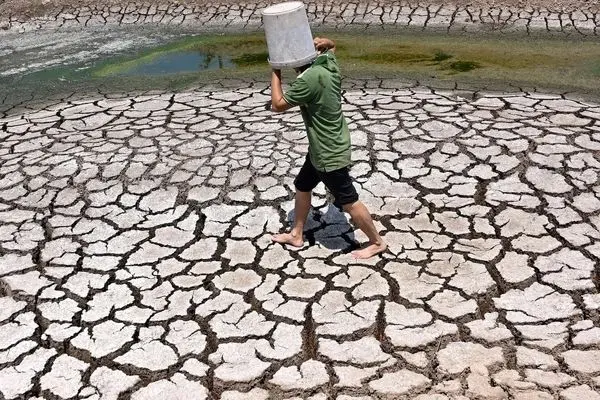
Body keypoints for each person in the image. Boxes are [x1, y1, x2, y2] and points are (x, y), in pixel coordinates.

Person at [270, 37, 386, 259]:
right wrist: (329, 42)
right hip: (324, 146)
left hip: (327, 153)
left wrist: (275, 69)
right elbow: (332, 48)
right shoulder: (327, 65)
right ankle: (296, 234)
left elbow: (277, 104)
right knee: (303, 185)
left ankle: (377, 242)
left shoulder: (309, 80)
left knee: (349, 201)